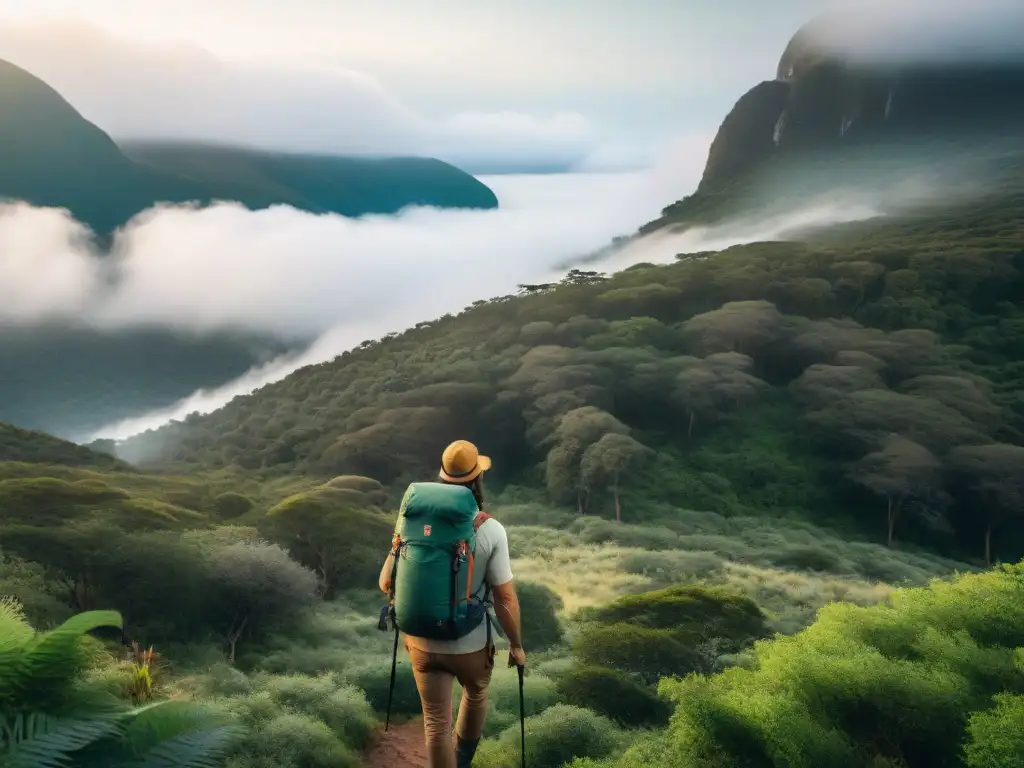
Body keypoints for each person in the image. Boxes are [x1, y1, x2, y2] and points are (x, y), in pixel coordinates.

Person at [378, 440, 525, 768]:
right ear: (477, 480)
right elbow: (506, 598)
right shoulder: (490, 528)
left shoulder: (409, 523)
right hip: (470, 643)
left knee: (434, 723)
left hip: (421, 642)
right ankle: (462, 761)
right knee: (475, 694)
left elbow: (385, 582)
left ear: (443, 475)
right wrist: (516, 646)